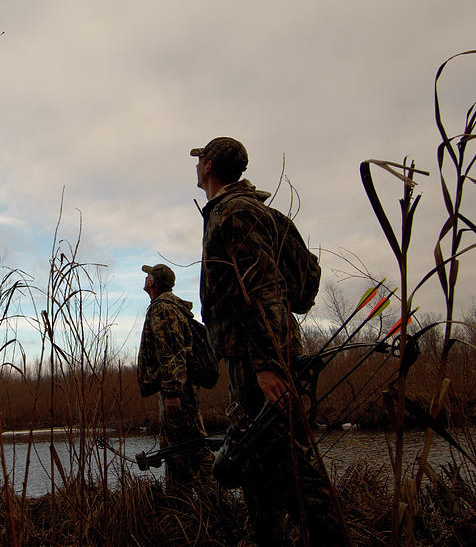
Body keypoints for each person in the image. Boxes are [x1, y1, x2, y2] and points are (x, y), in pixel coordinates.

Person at [192, 136, 347, 546]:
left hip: (260, 356)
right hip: (252, 355)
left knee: (288, 463)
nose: (195, 166)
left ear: (208, 166)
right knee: (256, 461)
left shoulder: (237, 212)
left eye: (198, 159)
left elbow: (264, 289)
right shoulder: (248, 211)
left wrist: (267, 364)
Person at [137, 263, 213, 495]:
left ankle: (208, 503)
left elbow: (172, 351)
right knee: (179, 447)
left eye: (148, 275)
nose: (146, 278)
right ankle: (187, 507)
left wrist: (171, 393)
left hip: (178, 391)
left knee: (190, 447)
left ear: (153, 282)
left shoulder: (162, 309)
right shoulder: (171, 308)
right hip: (181, 388)